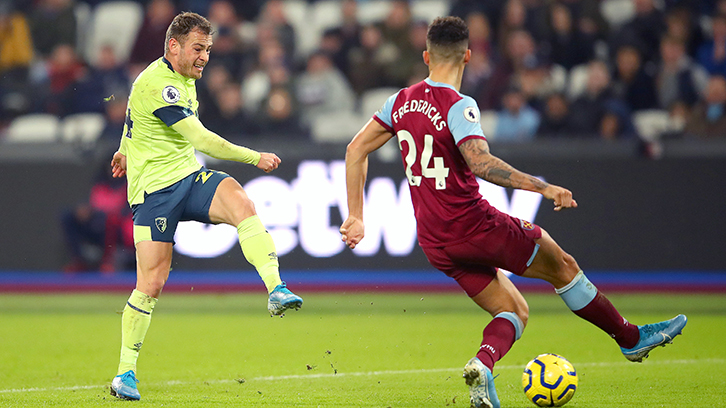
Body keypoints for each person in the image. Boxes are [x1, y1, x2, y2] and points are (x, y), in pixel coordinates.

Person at [340, 16, 687, 408]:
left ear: (425, 56)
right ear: (468, 56)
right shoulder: (459, 105)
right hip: (474, 225)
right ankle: (630, 339)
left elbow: (355, 150)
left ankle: (482, 365)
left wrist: (357, 214)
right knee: (563, 266)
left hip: (436, 242)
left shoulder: (398, 101)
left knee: (515, 310)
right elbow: (481, 164)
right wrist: (543, 186)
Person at [108, 12, 302, 401]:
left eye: (208, 50)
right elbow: (200, 137)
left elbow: (132, 122)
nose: (204, 58)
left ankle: (275, 288)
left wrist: (124, 148)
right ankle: (125, 373)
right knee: (151, 284)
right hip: (154, 193)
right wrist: (253, 157)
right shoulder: (159, 84)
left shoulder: (179, 77)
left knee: (241, 202)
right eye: (198, 49)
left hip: (188, 177)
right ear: (173, 46)